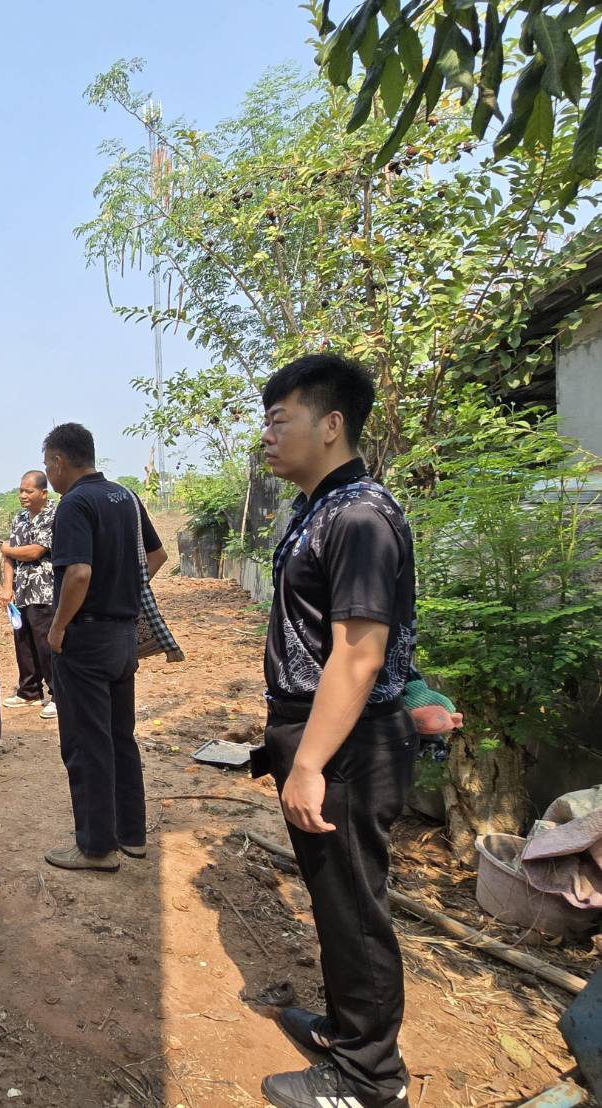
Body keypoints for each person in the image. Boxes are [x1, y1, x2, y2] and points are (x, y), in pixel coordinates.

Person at [254, 354, 418, 1108]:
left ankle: (368, 1078)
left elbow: (358, 652)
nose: (265, 435)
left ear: (330, 424)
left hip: (346, 748)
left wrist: (309, 760)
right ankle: (347, 1030)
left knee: (354, 907)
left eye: (278, 419)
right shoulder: (318, 509)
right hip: (321, 736)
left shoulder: (356, 516)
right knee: (334, 900)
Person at [40, 423, 155, 873]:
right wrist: (123, 590)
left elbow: (79, 574)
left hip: (85, 639)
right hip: (123, 637)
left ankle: (95, 848)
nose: (49, 473)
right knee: (120, 738)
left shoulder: (74, 505)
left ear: (58, 461)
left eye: (48, 463)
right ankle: (132, 836)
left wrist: (58, 628)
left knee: (87, 744)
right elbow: (157, 555)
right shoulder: (125, 497)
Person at [0, 470, 57, 720]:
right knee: (23, 641)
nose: (23, 495)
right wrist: (7, 588)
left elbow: (36, 551)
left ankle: (58, 695)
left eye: (28, 491)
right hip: (21, 591)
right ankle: (29, 692)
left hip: (45, 590)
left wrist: (8, 549)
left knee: (47, 644)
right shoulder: (19, 518)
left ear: (43, 493)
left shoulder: (55, 515)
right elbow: (9, 557)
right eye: (21, 490)